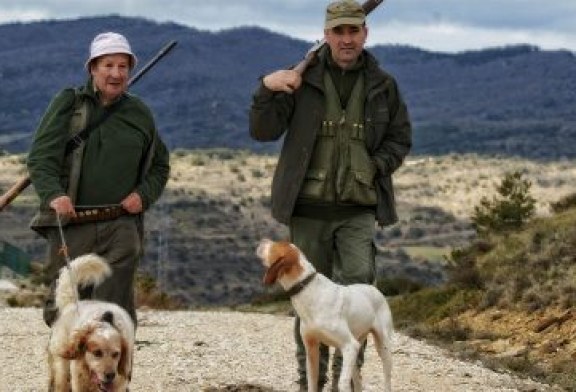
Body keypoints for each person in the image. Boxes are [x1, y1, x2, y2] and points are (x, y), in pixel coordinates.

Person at [249, 0, 412, 389]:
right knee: (307, 304)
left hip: (358, 208)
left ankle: (350, 381)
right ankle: (311, 385)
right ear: (326, 35)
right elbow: (263, 130)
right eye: (338, 32)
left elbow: (400, 138)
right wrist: (267, 88)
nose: (346, 39)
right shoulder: (299, 78)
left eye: (353, 31)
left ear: (364, 34)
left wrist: (374, 167)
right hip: (307, 208)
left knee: (359, 288)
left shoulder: (382, 84)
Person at [27, 32, 170, 328]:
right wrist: (54, 194)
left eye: (123, 66)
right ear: (92, 68)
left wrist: (143, 196)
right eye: (108, 65)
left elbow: (160, 166)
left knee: (113, 312)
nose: (116, 73)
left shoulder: (139, 113)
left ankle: (106, 373)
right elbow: (41, 158)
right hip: (73, 223)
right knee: (66, 309)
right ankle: (67, 370)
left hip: (121, 225)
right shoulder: (69, 104)